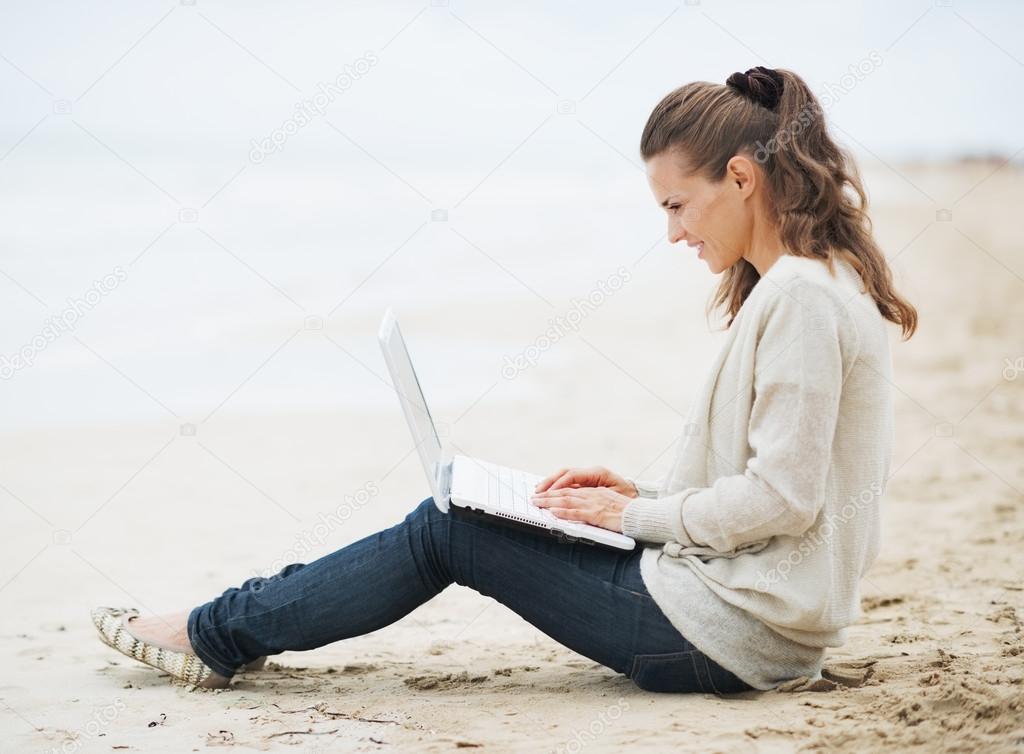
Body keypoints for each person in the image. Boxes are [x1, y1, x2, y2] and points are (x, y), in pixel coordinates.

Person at [92, 65, 917, 693]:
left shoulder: (803, 298)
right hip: (733, 613)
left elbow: (784, 499)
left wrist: (632, 514)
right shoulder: (816, 281)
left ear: (740, 177)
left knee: (447, 529)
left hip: (729, 638)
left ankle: (211, 636)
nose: (671, 234)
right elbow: (773, 485)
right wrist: (636, 496)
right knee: (470, 510)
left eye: (676, 206)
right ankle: (227, 625)